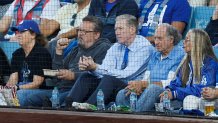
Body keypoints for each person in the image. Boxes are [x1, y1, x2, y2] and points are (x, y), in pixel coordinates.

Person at [64, 14, 154, 107]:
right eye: (115, 29)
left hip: (132, 89)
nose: (117, 32)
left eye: (120, 29)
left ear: (132, 30)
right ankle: (66, 106)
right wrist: (91, 68)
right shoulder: (116, 46)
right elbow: (104, 70)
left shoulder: (144, 47)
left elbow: (126, 75)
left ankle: (89, 107)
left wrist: (96, 67)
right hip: (112, 86)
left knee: (109, 79)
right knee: (86, 76)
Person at [26, 16, 111, 107]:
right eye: (79, 30)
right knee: (31, 98)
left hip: (79, 92)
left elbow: (99, 76)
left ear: (96, 34)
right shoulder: (76, 49)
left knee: (50, 102)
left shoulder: (104, 48)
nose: (80, 34)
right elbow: (57, 75)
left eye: (84, 31)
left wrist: (73, 75)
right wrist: (58, 52)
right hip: (61, 89)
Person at [116, 23, 185, 112]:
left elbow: (170, 82)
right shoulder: (155, 54)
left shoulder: (180, 55)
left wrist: (145, 85)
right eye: (155, 38)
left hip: (168, 93)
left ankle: (135, 116)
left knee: (153, 89)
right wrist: (138, 85)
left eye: (160, 38)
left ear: (171, 40)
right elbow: (146, 78)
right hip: (148, 90)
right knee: (123, 93)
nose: (156, 42)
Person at [161, 29, 217, 111]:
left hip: (206, 102)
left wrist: (175, 94)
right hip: (185, 96)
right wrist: (168, 90)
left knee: (189, 101)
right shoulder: (186, 62)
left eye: (187, 40)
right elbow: (176, 83)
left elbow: (201, 91)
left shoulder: (209, 64)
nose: (183, 42)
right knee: (158, 96)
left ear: (197, 44)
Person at [5, 20, 52, 106]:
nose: (18, 35)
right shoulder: (17, 54)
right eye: (17, 32)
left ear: (33, 35)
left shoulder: (41, 53)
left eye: (22, 32)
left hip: (41, 91)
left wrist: (18, 88)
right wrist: (5, 90)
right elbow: (13, 79)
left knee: (19, 95)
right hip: (20, 90)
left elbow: (37, 84)